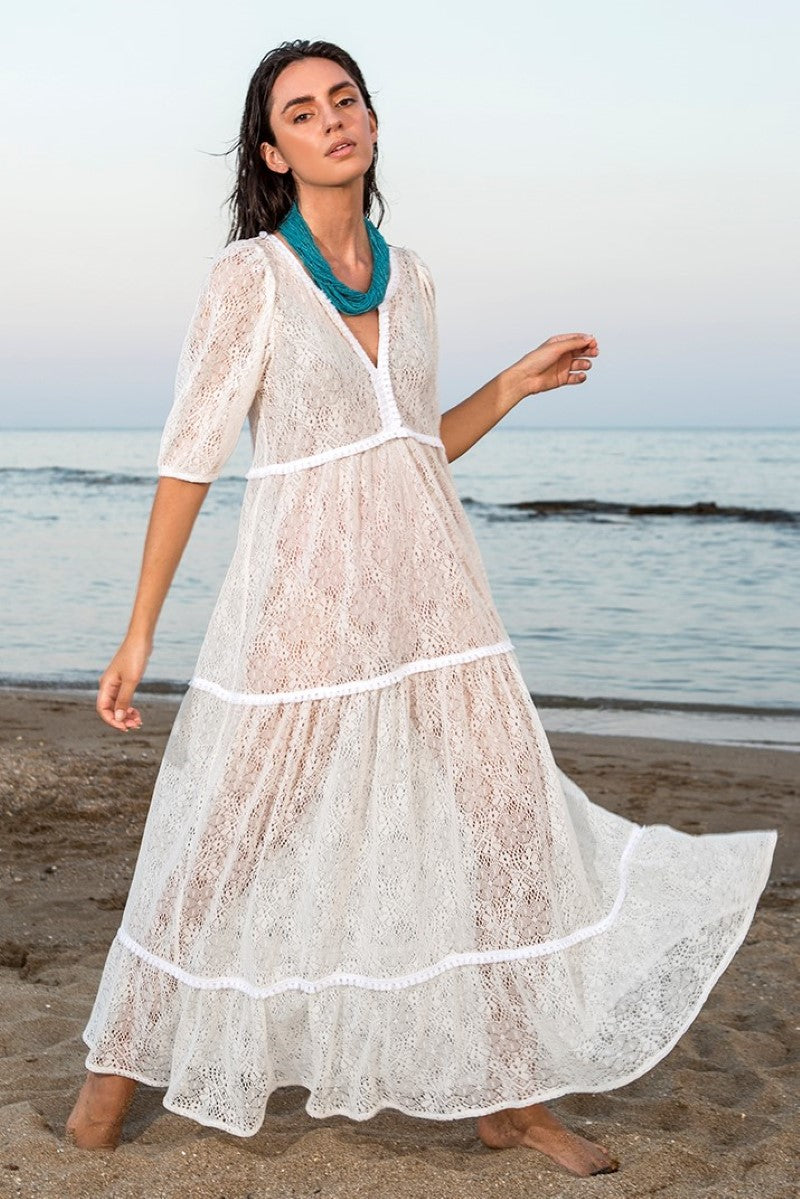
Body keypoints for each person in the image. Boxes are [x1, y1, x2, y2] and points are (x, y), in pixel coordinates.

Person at [65, 39, 777, 1179]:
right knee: (230, 838)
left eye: (344, 99)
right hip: (307, 604)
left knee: (508, 831)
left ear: (371, 119)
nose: (331, 120)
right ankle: (111, 1078)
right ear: (273, 152)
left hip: (439, 604)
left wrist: (511, 385)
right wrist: (139, 628)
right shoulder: (251, 278)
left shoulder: (415, 279)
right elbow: (191, 455)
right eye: (303, 112)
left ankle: (512, 1098)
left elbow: (407, 446)